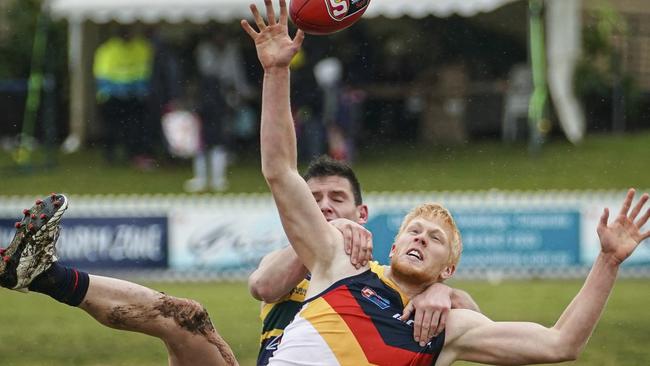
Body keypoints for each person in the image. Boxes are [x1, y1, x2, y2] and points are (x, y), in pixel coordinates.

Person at [242, 0, 650, 364]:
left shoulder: (445, 332)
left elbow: (560, 344)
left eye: (434, 239)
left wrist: (608, 262)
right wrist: (276, 72)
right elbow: (281, 172)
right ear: (393, 245)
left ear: (448, 269)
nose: (420, 239)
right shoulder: (339, 264)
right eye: (414, 232)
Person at [248, 155, 480, 365]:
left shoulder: (374, 278)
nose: (324, 206)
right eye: (313, 199)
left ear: (362, 214)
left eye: (337, 198)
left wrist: (445, 292)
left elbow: (475, 324)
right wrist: (328, 230)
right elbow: (263, 286)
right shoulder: (282, 261)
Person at [185, 27, 252, 192]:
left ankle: (218, 179)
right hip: (206, 101)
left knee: (219, 142)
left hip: (221, 102)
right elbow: (205, 73)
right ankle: (201, 178)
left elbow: (236, 74)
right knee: (201, 144)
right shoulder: (204, 52)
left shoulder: (231, 51)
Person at [93, 26, 154, 168]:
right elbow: (102, 75)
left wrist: (140, 90)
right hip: (113, 96)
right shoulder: (108, 50)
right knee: (112, 129)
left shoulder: (141, 47)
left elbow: (145, 70)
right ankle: (110, 156)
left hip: (134, 96)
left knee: (133, 128)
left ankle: (132, 154)